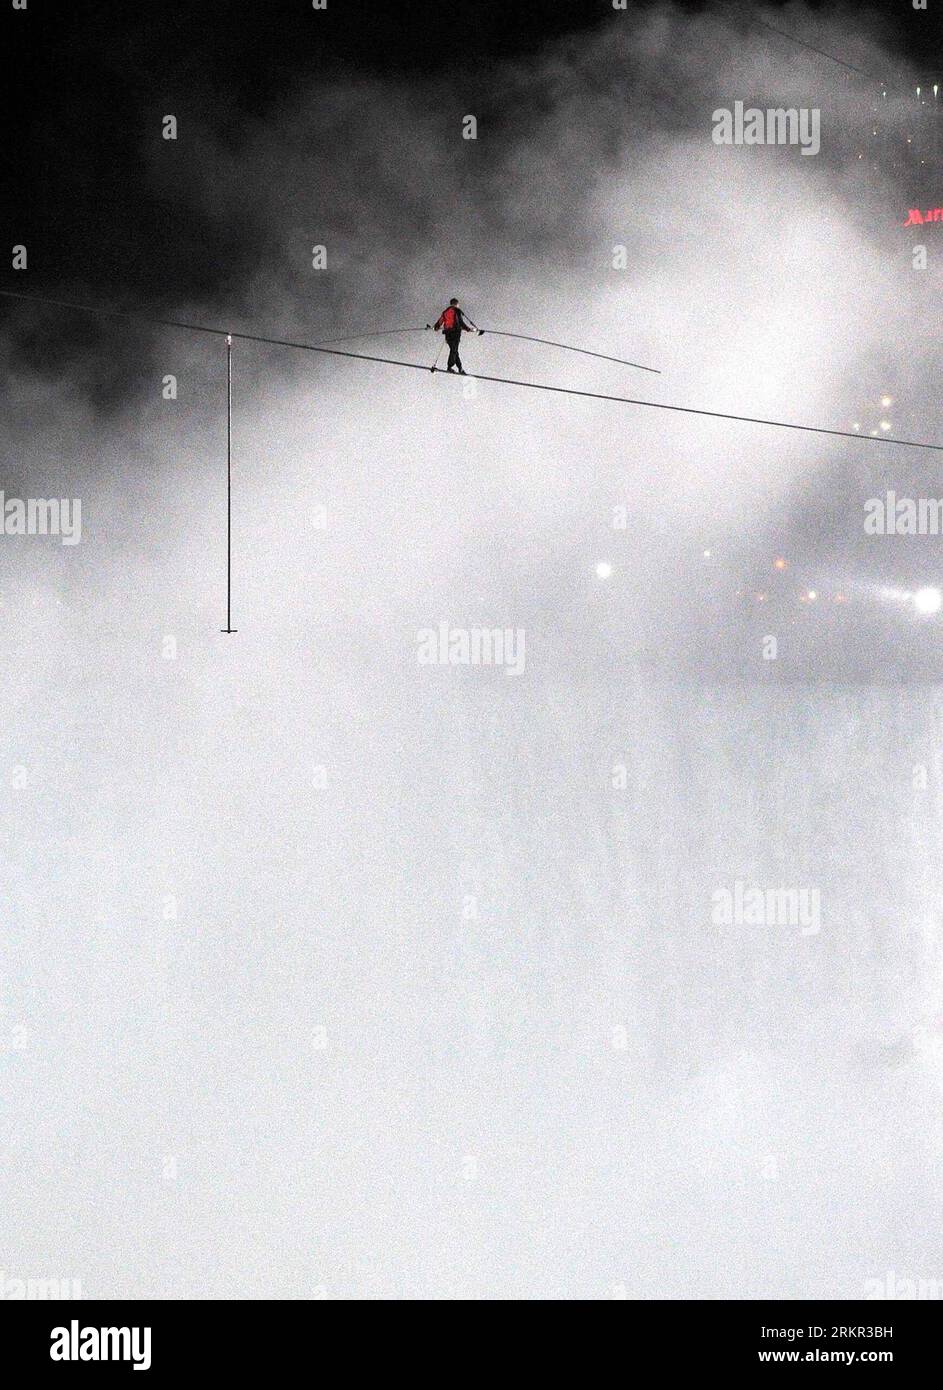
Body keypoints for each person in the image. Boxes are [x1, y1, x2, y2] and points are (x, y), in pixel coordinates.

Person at [428, 298, 480, 374]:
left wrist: (435, 328)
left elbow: (440, 322)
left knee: (454, 351)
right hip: (455, 333)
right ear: (456, 304)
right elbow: (461, 322)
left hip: (448, 334)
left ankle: (460, 368)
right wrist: (468, 329)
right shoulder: (457, 310)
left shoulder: (445, 312)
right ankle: (450, 367)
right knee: (454, 350)